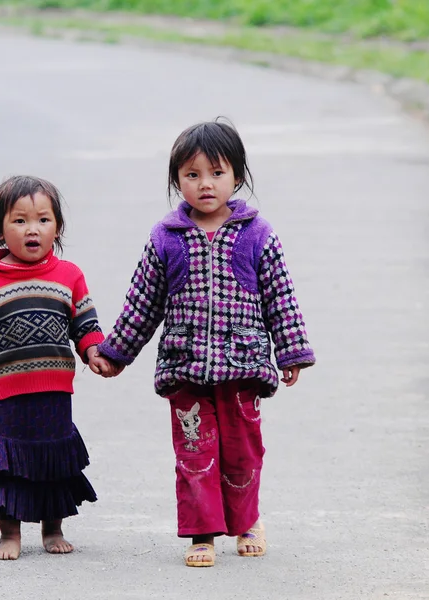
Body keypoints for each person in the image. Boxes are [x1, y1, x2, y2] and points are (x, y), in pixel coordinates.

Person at [95, 119, 315, 567]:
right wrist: (116, 353)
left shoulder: (257, 234)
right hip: (186, 368)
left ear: (238, 176)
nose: (205, 184)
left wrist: (291, 351)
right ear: (177, 180)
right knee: (194, 453)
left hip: (244, 366)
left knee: (242, 449)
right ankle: (202, 532)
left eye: (216, 172)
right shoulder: (166, 238)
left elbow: (280, 296)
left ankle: (247, 521)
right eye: (192, 175)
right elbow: (143, 302)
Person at [0, 175, 113, 560]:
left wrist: (94, 353)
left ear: (57, 227)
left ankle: (53, 528)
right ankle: (10, 533)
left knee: (54, 458)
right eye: (19, 220)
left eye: (42, 220)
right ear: (0, 229)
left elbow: (85, 324)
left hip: (54, 390)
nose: (31, 229)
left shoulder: (69, 276)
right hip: (5, 394)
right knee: (9, 463)